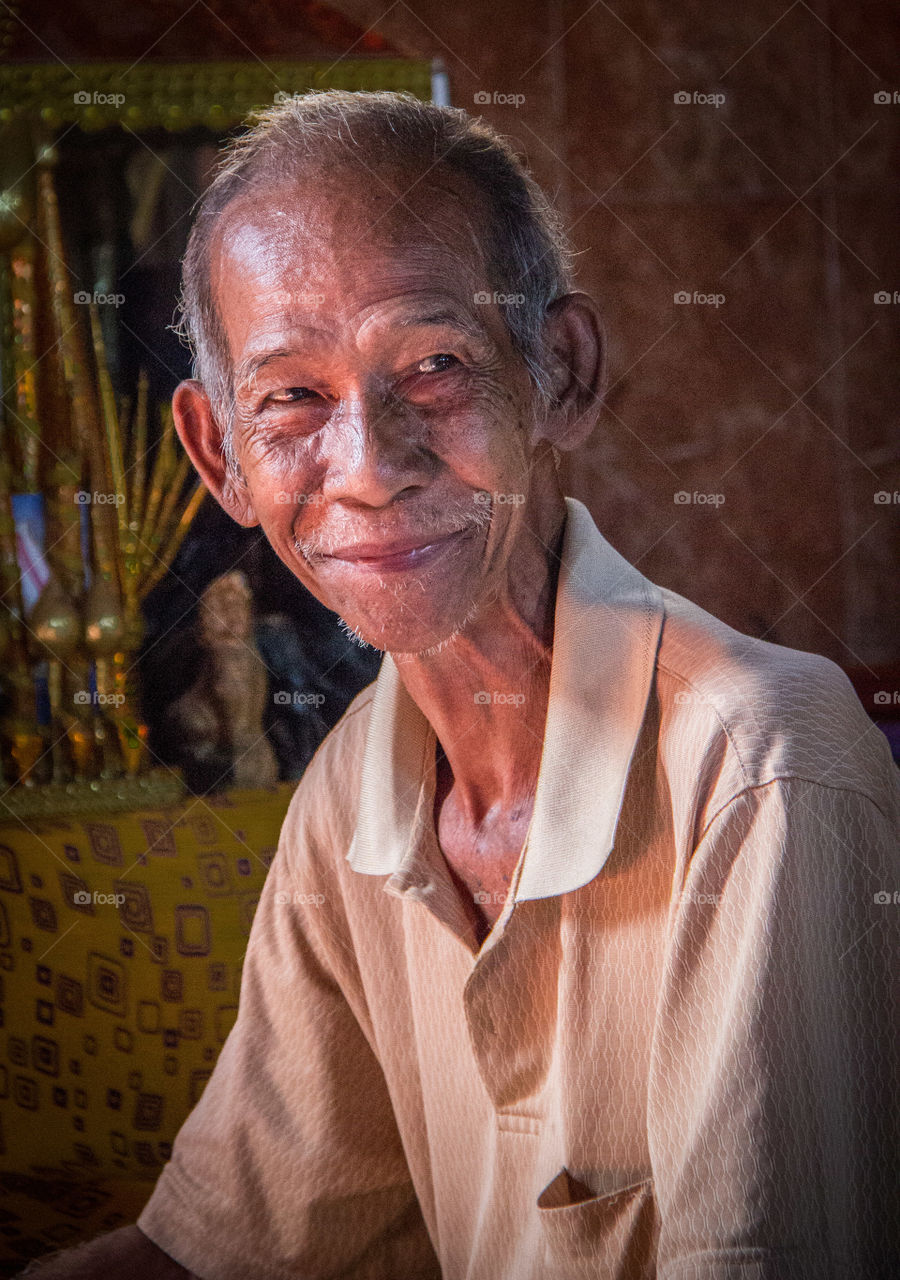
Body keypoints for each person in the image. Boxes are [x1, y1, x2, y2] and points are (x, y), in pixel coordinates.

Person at [25, 90, 898, 1280]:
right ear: (218, 453)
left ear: (561, 373)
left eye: (434, 364)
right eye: (291, 396)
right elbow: (217, 1248)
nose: (371, 468)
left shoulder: (761, 768)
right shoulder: (349, 802)